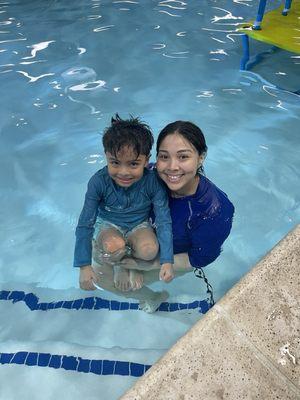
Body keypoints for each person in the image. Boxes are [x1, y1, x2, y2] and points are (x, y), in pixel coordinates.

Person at [117, 120, 234, 278]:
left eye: (183, 157)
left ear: (201, 157)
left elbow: (197, 259)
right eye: (164, 156)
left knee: (109, 282)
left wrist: (146, 266)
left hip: (169, 261)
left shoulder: (214, 211)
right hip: (138, 241)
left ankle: (153, 297)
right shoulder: (150, 175)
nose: (172, 167)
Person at [73, 114, 174, 293]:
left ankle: (130, 266)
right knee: (113, 247)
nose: (123, 172)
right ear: (106, 156)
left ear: (146, 159)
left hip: (139, 224)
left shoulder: (153, 182)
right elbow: (85, 223)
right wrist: (84, 265)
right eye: (115, 163)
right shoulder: (98, 182)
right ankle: (120, 266)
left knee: (149, 250)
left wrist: (167, 260)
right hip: (108, 224)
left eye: (134, 164)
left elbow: (164, 220)